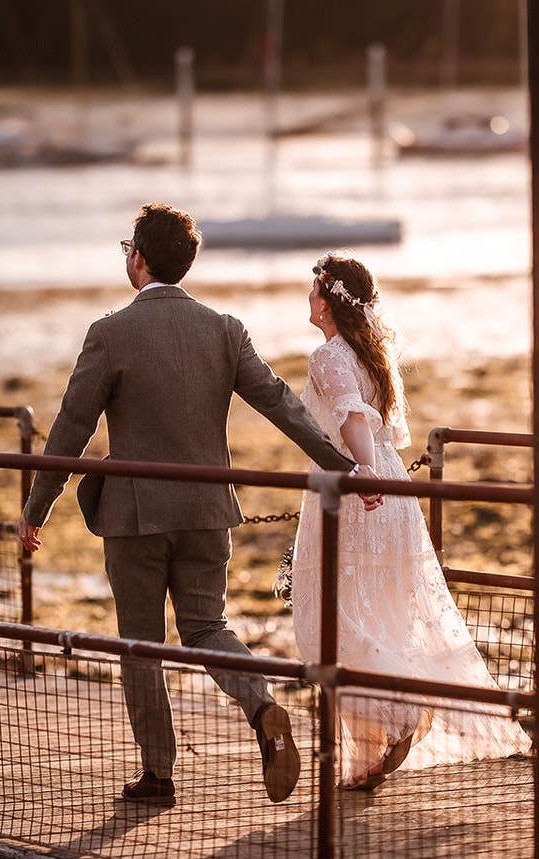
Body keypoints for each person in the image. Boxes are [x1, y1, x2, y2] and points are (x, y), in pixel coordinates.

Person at [19, 204, 356, 806]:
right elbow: (282, 404)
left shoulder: (109, 332)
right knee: (206, 627)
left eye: (129, 249)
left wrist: (35, 510)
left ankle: (158, 776)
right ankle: (261, 709)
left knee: (140, 643)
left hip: (136, 518)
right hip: (207, 511)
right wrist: (344, 468)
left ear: (140, 260)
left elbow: (71, 428)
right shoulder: (225, 330)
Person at [291, 250, 532, 790]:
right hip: (391, 483)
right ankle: (366, 760)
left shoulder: (329, 355)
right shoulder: (370, 350)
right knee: (382, 609)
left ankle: (400, 709)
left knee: (338, 616)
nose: (308, 299)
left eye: (313, 290)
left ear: (329, 301)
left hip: (359, 488)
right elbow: (380, 423)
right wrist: (379, 470)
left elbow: (354, 418)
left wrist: (366, 474)